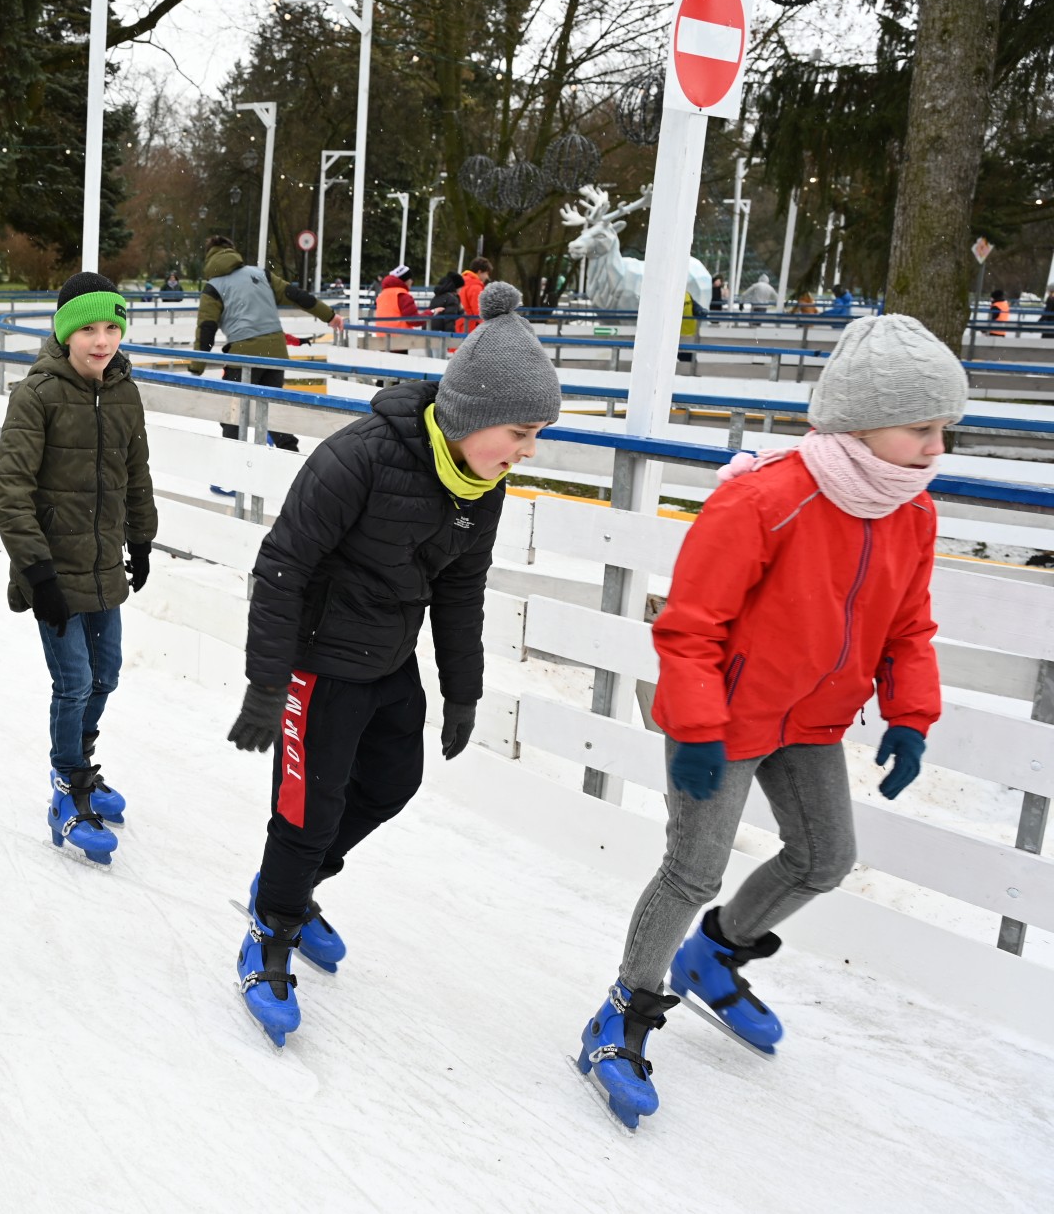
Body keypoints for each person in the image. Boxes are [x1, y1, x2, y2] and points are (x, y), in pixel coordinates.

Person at [573, 312, 967, 1130]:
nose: (937, 447)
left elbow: (908, 627)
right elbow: (690, 627)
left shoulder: (912, 512)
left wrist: (911, 717)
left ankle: (714, 955)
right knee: (693, 871)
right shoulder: (764, 498)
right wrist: (697, 729)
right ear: (862, 420)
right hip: (723, 718)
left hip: (812, 721)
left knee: (825, 857)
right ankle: (622, 1010)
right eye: (921, 428)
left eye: (944, 430)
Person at [224, 282, 562, 1046]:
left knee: (392, 784)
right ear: (470, 415)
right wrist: (267, 683)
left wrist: (463, 690)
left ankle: (293, 884)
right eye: (520, 432)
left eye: (536, 434)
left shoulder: (482, 484)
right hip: (318, 662)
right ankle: (271, 929)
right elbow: (281, 566)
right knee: (306, 812)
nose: (527, 450)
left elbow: (460, 587)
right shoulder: (358, 459)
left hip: (389, 657)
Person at [0, 272, 158, 865]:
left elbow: (136, 475)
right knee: (75, 682)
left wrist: (142, 540)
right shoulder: (36, 395)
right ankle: (67, 783)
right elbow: (10, 491)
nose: (102, 340)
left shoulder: (125, 393)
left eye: (112, 326)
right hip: (53, 572)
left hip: (105, 563)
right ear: (65, 333)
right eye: (88, 328)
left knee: (106, 674)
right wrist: (37, 574)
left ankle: (82, 762)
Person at [191, 236, 344, 457]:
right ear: (233, 252)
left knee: (233, 411)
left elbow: (206, 328)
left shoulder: (213, 287)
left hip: (243, 356)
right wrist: (330, 316)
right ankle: (289, 455)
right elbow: (296, 295)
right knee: (272, 410)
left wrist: (197, 367)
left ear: (209, 257)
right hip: (275, 354)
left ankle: (232, 461)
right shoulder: (260, 274)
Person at [373, 266, 422, 354]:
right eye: (410, 279)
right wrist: (431, 312)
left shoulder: (383, 294)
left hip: (381, 339)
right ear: (405, 280)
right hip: (399, 340)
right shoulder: (402, 295)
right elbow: (414, 320)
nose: (412, 281)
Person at [458, 256, 493, 331]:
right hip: (471, 328)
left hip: (460, 325)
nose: (487, 277)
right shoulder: (476, 287)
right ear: (479, 272)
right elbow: (478, 311)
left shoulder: (462, 282)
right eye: (486, 273)